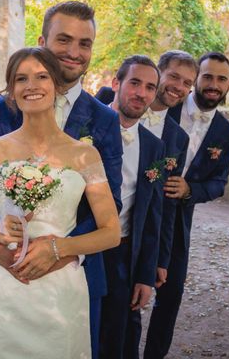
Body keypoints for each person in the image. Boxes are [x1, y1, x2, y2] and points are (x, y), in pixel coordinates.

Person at [0, 47, 121, 358]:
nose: (32, 85)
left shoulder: (84, 155)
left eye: (42, 76)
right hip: (4, 287)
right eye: (21, 78)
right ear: (12, 92)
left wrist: (59, 248)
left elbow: (111, 232)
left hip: (61, 289)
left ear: (56, 85)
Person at [144, 52, 229, 358]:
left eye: (221, 79)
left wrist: (190, 190)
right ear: (196, 80)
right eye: (207, 77)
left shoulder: (227, 133)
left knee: (170, 296)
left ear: (228, 85)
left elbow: (218, 183)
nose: (213, 85)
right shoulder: (164, 104)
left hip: (178, 220)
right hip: (140, 208)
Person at [96, 50, 195, 288]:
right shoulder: (94, 113)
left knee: (125, 320)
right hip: (82, 241)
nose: (178, 86)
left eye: (187, 83)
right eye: (173, 77)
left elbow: (161, 206)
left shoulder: (174, 140)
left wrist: (155, 262)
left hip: (127, 245)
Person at [97, 56, 166, 359]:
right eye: (135, 83)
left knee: (119, 337)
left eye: (150, 87)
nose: (142, 93)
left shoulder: (154, 146)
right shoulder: (85, 131)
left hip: (124, 253)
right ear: (116, 83)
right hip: (80, 251)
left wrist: (145, 275)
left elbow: (152, 214)